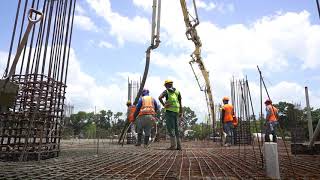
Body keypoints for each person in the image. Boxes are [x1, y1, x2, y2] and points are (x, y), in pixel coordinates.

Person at [158, 80, 182, 150]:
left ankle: (173, 146)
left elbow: (159, 97)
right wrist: (181, 112)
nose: (165, 86)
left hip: (169, 112)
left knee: (171, 128)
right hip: (176, 112)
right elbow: (180, 102)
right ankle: (179, 146)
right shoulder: (177, 92)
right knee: (176, 129)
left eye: (165, 85)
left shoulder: (166, 91)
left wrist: (164, 105)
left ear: (167, 85)